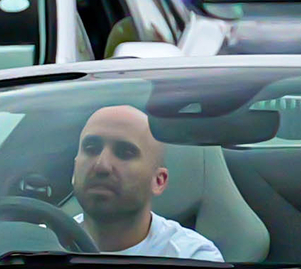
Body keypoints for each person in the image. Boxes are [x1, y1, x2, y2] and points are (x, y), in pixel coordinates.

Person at [71, 104, 224, 259]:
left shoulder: (194, 258)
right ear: (74, 168)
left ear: (158, 181)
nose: (101, 166)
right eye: (90, 148)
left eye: (125, 153)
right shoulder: (47, 245)